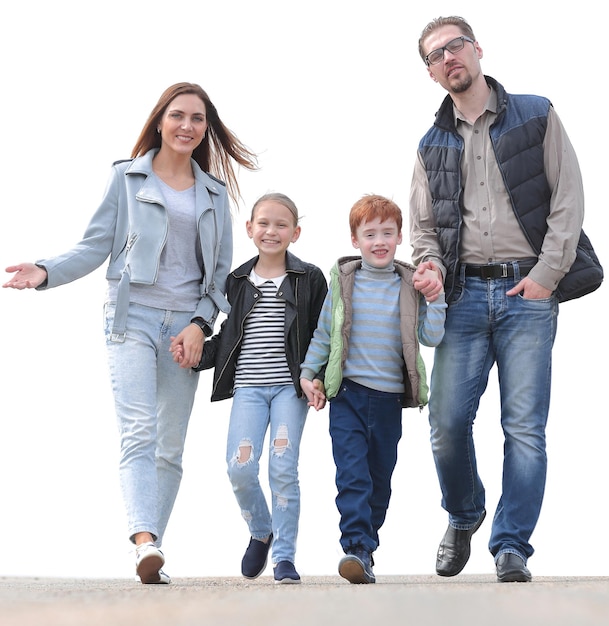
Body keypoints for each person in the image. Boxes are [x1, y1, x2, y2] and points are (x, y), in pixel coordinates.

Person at [3, 82, 258, 584]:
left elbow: (220, 281)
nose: (188, 126)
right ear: (160, 121)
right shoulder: (126, 178)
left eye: (198, 119)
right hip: (131, 318)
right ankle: (144, 540)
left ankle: (151, 552)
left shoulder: (214, 193)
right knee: (139, 430)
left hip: (185, 329)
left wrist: (199, 327)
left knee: (170, 446)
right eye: (178, 116)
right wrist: (46, 270)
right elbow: (95, 245)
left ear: (206, 129)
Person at [409, 16, 585, 583]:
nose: (447, 59)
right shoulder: (430, 143)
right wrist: (432, 267)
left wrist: (547, 275)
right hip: (462, 297)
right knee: (445, 421)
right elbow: (425, 229)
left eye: (454, 46)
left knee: (524, 428)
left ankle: (511, 546)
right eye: (434, 56)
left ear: (477, 49)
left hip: (528, 293)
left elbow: (568, 198)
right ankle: (464, 515)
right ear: (432, 73)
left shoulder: (536, 113)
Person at [176, 192, 327, 584]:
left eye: (281, 225)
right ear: (249, 229)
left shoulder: (309, 278)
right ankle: (261, 530)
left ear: (295, 232)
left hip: (289, 390)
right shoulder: (238, 280)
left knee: (282, 467)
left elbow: (321, 333)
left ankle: (285, 558)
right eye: (263, 223)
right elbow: (229, 335)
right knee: (239, 467)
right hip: (248, 388)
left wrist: (319, 379)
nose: (271, 231)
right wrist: (198, 354)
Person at [300, 194, 447, 584]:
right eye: (370, 234)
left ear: (400, 237)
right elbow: (324, 333)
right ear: (355, 240)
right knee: (352, 476)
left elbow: (432, 337)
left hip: (387, 401)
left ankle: (368, 545)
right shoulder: (343, 281)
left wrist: (437, 298)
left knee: (379, 481)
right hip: (347, 396)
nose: (379, 240)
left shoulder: (410, 284)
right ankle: (356, 547)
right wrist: (308, 371)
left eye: (387, 232)